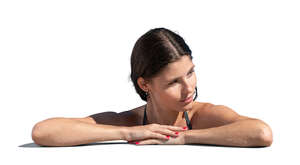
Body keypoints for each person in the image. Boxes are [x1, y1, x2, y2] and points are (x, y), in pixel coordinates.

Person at [31, 27, 273, 147]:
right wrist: (128, 133)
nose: (188, 88)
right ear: (145, 84)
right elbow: (43, 132)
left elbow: (261, 133)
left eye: (190, 73)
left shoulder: (202, 115)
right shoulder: (130, 121)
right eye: (173, 82)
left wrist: (183, 138)